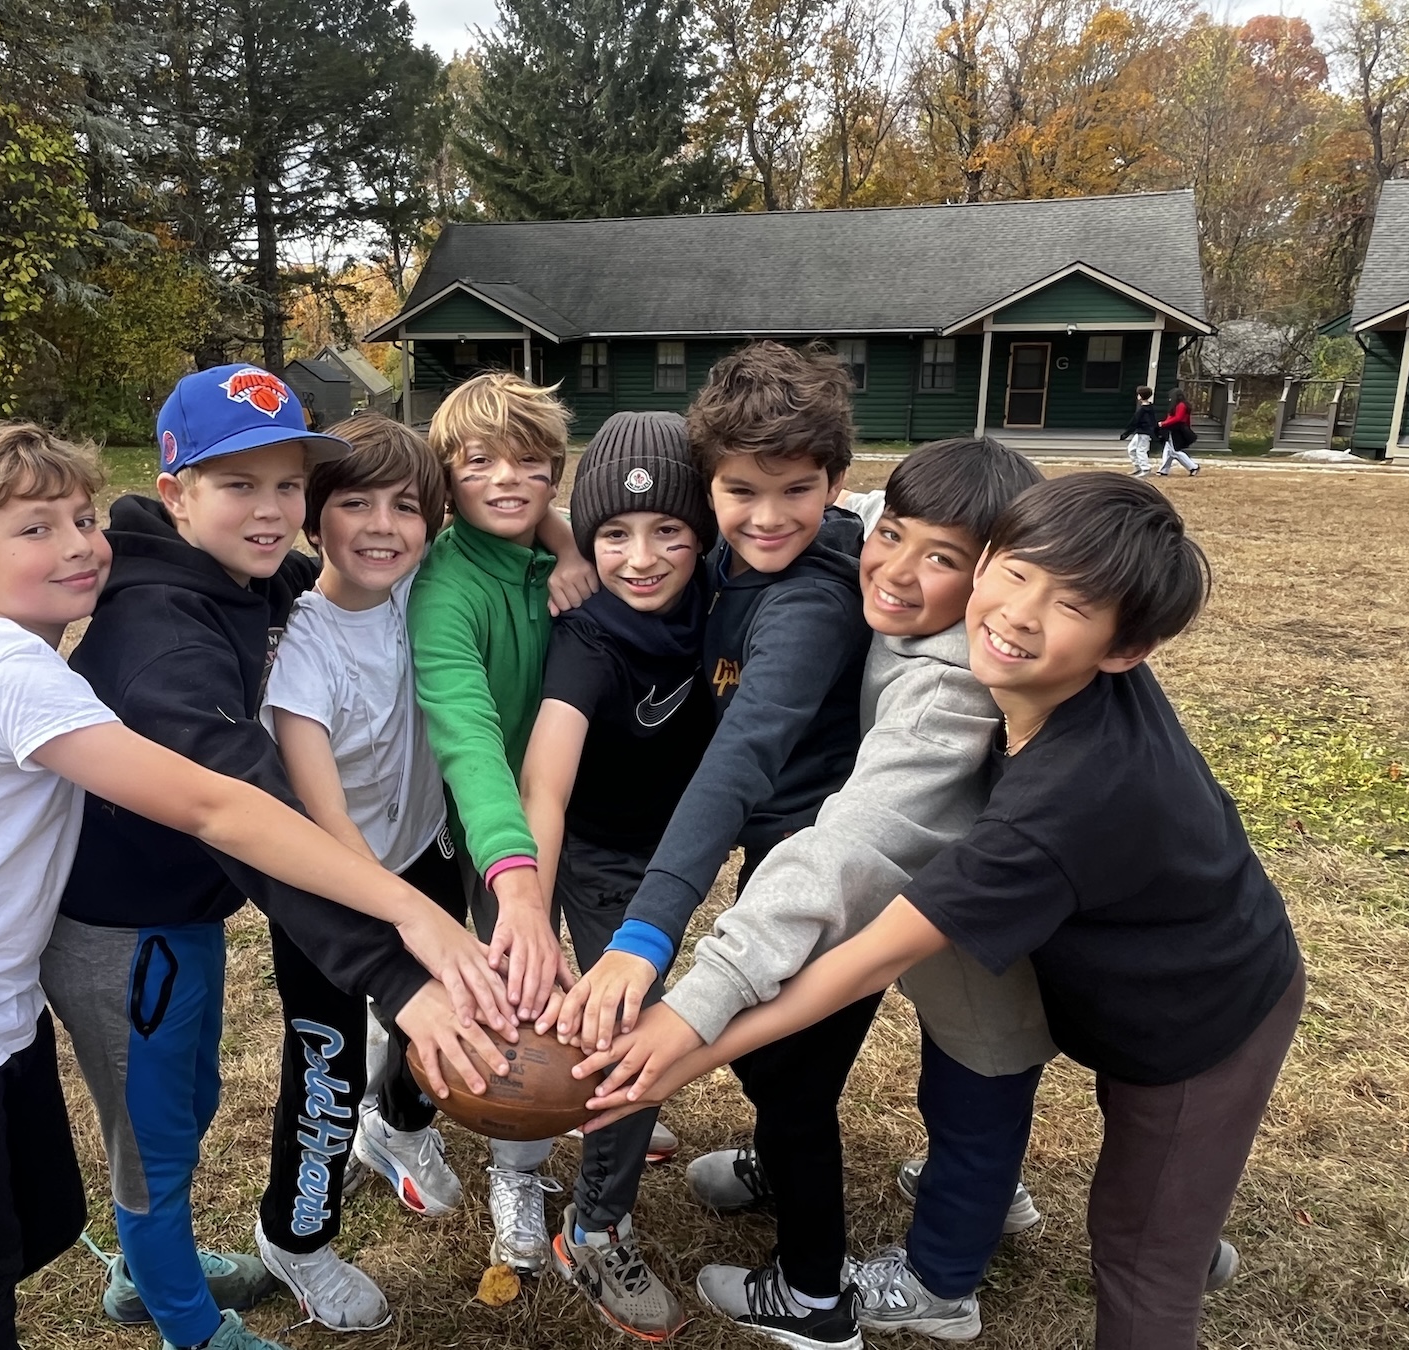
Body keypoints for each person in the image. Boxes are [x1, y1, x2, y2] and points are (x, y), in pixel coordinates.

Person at [0, 421, 513, 1350]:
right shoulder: (43, 666)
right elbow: (222, 808)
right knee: (119, 1175)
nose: (80, 545)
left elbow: (307, 574)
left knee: (87, 1185)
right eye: (35, 530)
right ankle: (188, 1323)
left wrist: (558, 538)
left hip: (27, 991)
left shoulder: (205, 584)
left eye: (82, 519)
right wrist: (405, 937)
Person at [580, 473, 1305, 1350]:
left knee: (1139, 1252)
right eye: (1016, 570)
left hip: (1198, 1016)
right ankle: (1180, 1215)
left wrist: (684, 1044)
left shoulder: (1060, 802)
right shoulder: (1016, 663)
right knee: (1158, 1188)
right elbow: (865, 515)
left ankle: (1171, 1240)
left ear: (1126, 648)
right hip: (1129, 967)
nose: (1019, 613)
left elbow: (868, 952)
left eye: (1070, 604)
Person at [35, 369, 519, 1349]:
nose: (269, 512)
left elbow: (370, 570)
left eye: (286, 486)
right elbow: (248, 813)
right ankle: (182, 1321)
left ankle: (148, 1261)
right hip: (122, 930)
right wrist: (399, 955)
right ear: (175, 494)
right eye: (236, 485)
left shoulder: (249, 577)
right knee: (157, 1139)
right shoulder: (161, 642)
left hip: (187, 911)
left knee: (191, 1099)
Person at [627, 437, 1055, 1344]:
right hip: (919, 891)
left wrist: (689, 1002)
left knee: (979, 1074)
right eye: (891, 535)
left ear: (996, 575)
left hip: (982, 918)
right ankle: (944, 1185)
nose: (896, 571)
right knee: (834, 1065)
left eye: (941, 559)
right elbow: (833, 506)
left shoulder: (955, 684)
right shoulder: (857, 531)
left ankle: (915, 1283)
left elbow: (849, 846)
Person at [548, 342, 873, 1349]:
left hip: (825, 860)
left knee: (794, 1074)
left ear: (836, 482)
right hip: (764, 847)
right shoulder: (720, 560)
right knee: (779, 1059)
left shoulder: (812, 603)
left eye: (797, 491)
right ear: (711, 489)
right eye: (740, 490)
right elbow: (619, 520)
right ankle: (773, 1167)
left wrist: (647, 932)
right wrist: (567, 546)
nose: (767, 517)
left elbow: (740, 757)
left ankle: (814, 1292)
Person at [513, 411, 717, 1339]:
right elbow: (545, 785)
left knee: (638, 1023)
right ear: (590, 542)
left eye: (668, 530)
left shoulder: (723, 598)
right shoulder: (588, 637)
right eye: (615, 536)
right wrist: (530, 915)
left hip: (668, 856)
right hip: (596, 857)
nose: (642, 557)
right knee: (624, 1029)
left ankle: (619, 1138)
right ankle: (591, 1229)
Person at [257, 413, 469, 1233]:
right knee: (328, 1066)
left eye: (407, 506)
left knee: (446, 1021)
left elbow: (517, 518)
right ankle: (296, 1235)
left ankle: (402, 1129)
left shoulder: (425, 589)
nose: (383, 527)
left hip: (423, 854)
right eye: (356, 503)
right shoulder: (300, 648)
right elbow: (326, 818)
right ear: (315, 519)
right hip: (332, 888)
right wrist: (397, 922)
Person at [406, 370, 590, 1276]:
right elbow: (470, 740)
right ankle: (516, 1163)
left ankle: (555, 1097)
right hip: (475, 826)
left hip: (559, 807)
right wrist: (515, 887)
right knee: (509, 992)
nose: (508, 480)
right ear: (446, 477)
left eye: (530, 463)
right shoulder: (445, 590)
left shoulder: (562, 554)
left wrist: (563, 546)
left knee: (548, 983)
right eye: (480, 462)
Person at [1157, 388, 1201, 476]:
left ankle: (1193, 467)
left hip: (1176, 430)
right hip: (1173, 429)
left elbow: (1178, 418)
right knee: (1168, 450)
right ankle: (1163, 470)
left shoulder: (1181, 405)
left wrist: (1164, 423)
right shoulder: (1180, 405)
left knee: (1174, 451)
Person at [1120, 386, 1158, 477]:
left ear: (1140, 396)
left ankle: (1145, 469)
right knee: (1131, 449)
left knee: (1141, 451)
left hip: (1144, 433)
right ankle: (1138, 467)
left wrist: (1126, 433)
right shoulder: (1149, 407)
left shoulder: (1142, 410)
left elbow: (1134, 422)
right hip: (1141, 432)